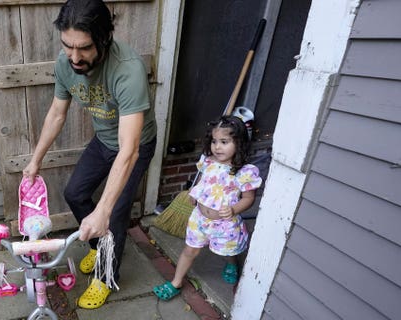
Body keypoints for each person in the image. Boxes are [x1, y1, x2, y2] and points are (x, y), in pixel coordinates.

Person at [22, 0, 157, 309]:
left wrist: (105, 210)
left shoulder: (128, 70)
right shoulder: (65, 62)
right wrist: (35, 160)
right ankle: (99, 246)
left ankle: (106, 276)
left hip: (134, 146)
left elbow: (130, 149)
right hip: (104, 141)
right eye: (67, 46)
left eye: (83, 48)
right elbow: (57, 113)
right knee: (75, 193)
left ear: (103, 39)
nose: (74, 57)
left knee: (116, 214)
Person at [152, 115, 262, 301]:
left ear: (239, 143)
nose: (217, 146)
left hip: (224, 224)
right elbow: (205, 181)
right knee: (190, 250)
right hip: (200, 220)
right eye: (214, 141)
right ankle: (176, 282)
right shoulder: (208, 161)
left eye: (224, 142)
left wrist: (234, 209)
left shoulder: (245, 171)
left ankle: (232, 264)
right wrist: (196, 194)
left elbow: (249, 198)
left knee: (228, 251)